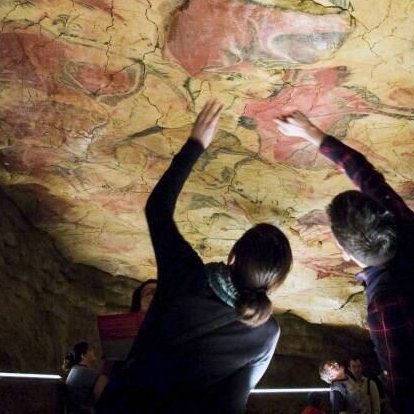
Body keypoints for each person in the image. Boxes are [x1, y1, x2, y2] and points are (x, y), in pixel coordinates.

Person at [276, 111, 414, 413]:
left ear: (347, 254)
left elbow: (403, 385)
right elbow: (369, 177)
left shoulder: (385, 302)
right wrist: (313, 133)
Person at [97, 101, 294, 414]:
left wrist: (196, 143)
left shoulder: (186, 274)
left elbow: (157, 208)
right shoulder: (266, 334)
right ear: (276, 284)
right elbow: (231, 404)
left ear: (232, 256)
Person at [63, 341, 109, 411]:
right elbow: (104, 382)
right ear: (83, 356)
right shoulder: (81, 371)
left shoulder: (76, 369)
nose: (93, 351)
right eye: (90, 350)